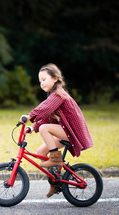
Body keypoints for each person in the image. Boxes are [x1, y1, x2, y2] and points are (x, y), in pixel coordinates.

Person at [19, 63, 93, 198]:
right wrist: (32, 127)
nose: (41, 83)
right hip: (65, 130)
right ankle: (55, 182)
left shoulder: (59, 94)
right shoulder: (53, 96)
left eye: (44, 79)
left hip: (72, 131)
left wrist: (30, 116)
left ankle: (55, 159)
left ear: (55, 78)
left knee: (44, 128)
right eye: (40, 81)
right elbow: (48, 117)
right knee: (41, 151)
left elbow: (45, 108)